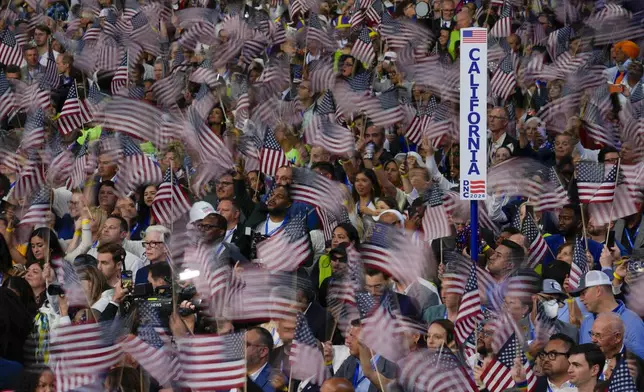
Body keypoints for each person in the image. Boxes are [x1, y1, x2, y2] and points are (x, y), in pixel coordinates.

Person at [572, 271, 644, 359]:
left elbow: (640, 364)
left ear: (598, 290)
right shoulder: (586, 322)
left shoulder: (632, 321)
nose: (580, 299)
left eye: (583, 293)